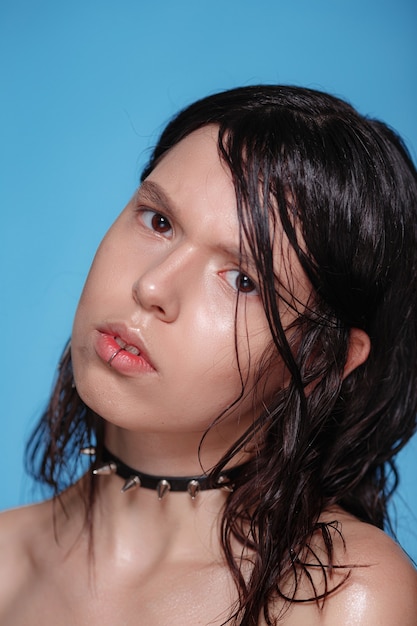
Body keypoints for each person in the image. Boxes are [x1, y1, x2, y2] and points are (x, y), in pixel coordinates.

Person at [0, 85, 416, 626]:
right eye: (158, 222)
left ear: (323, 362)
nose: (151, 287)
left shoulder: (343, 599)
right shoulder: (7, 560)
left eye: (243, 280)